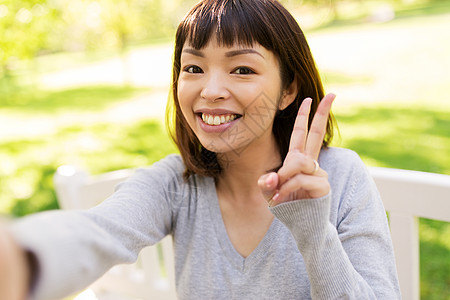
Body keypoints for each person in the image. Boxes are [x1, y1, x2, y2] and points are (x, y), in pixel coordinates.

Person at [1, 0, 401, 299]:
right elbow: (99, 232)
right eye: (193, 68)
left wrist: (313, 231)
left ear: (289, 89)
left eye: (242, 69)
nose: (209, 91)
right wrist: (19, 259)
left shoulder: (343, 176)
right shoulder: (176, 185)